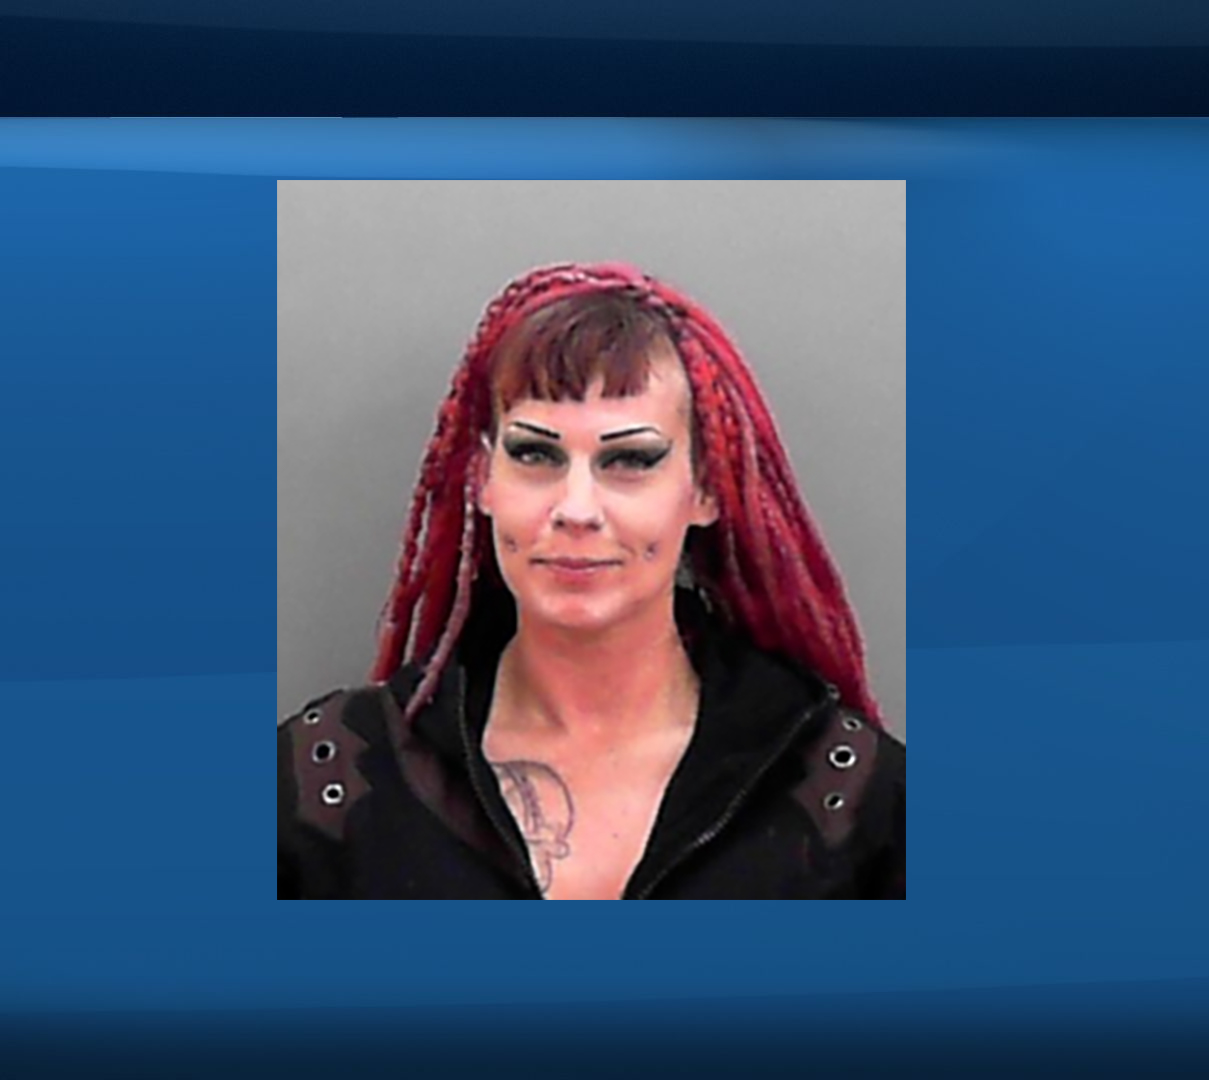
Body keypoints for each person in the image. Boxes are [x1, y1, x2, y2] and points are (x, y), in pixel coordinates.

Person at [279, 262, 905, 899]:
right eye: (535, 454)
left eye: (630, 459)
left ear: (706, 489)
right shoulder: (325, 782)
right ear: (482, 478)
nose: (576, 509)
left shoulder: (850, 797)